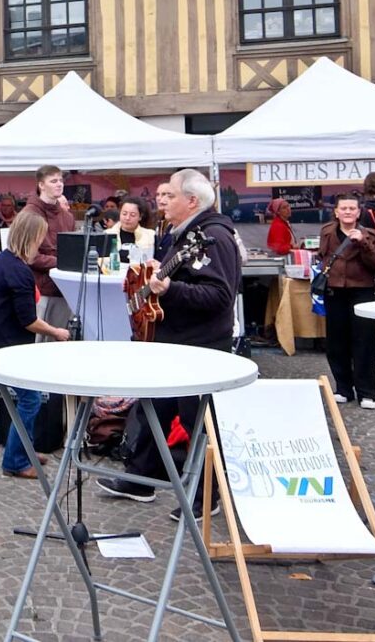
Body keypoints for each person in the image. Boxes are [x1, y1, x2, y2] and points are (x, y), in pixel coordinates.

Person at [97, 168, 241, 520]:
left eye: (170, 195)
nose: (161, 201)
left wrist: (170, 288)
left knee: (199, 422)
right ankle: (142, 479)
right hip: (173, 341)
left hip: (199, 345)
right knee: (153, 409)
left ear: (192, 201)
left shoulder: (213, 236)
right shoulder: (184, 232)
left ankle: (210, 496)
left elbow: (221, 296)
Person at [0, 209, 71, 479]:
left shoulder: (7, 260)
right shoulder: (19, 271)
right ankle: (15, 461)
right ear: (32, 236)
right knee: (29, 399)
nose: (44, 241)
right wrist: (56, 332)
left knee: (28, 397)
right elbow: (29, 320)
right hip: (4, 341)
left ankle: (24, 450)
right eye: (41, 236)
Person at [318, 195, 375, 408]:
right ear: (336, 212)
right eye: (343, 208)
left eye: (352, 208)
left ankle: (367, 392)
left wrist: (363, 243)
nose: (347, 212)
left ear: (358, 212)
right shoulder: (327, 231)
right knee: (336, 342)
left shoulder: (370, 234)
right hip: (335, 290)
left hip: (361, 291)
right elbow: (323, 256)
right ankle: (343, 388)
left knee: (363, 342)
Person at [23, 166, 74, 334]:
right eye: (53, 181)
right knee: (38, 342)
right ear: (41, 185)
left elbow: (72, 249)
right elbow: (30, 257)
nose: (59, 184)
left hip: (63, 288)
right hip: (39, 289)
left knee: (60, 340)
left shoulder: (67, 217)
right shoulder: (30, 214)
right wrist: (63, 263)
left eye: (60, 180)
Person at [105, 198, 156, 262]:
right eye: (124, 214)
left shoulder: (150, 235)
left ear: (140, 217)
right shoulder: (107, 234)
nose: (127, 218)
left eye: (132, 215)